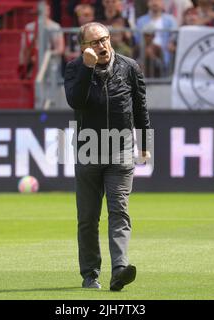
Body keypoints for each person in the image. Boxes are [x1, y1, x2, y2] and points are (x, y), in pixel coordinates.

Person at [64, 22, 151, 291]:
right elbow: (76, 102)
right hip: (88, 148)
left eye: (104, 39)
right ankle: (90, 274)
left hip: (121, 148)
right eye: (94, 42)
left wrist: (145, 143)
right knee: (88, 217)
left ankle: (120, 270)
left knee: (119, 210)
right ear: (83, 48)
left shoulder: (129, 67)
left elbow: (140, 106)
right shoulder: (75, 68)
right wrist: (88, 69)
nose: (101, 46)